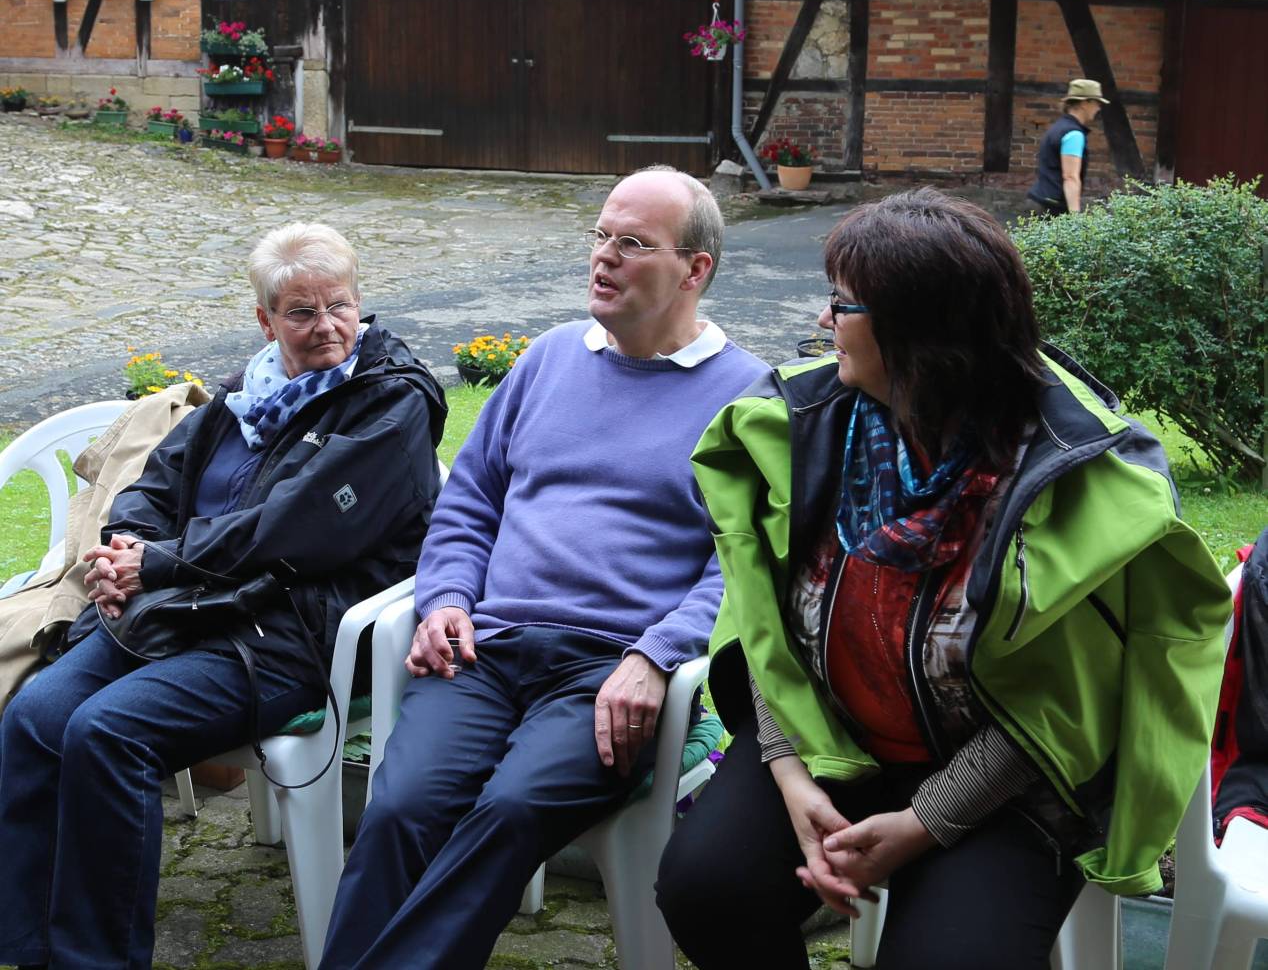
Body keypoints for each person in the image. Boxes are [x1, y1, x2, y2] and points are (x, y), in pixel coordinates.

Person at [656, 188, 1232, 969]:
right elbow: (767, 624)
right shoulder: (801, 429)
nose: (824, 323)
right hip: (831, 742)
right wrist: (793, 780)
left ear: (918, 334)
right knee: (706, 891)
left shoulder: (1066, 479)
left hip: (1007, 784)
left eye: (842, 305)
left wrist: (924, 823)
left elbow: (1064, 705)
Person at [320, 166, 767, 970]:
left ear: (695, 269)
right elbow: (470, 501)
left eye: (632, 244)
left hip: (609, 671)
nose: (603, 257)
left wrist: (656, 655)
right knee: (401, 807)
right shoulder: (549, 357)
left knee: (513, 807)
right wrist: (448, 598)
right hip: (485, 648)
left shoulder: (747, 399)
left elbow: (739, 569)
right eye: (600, 236)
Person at [0, 222, 446, 970]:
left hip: (289, 633)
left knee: (109, 734)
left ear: (359, 303)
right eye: (300, 313)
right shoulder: (248, 392)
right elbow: (156, 483)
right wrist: (122, 551)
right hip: (183, 612)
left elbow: (295, 531)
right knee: (37, 716)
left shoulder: (390, 404)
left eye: (339, 305)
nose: (326, 326)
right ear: (265, 321)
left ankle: (94, 960)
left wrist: (160, 565)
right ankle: (31, 946)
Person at [1026, 78, 1110, 215]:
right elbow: (1070, 177)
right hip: (1051, 207)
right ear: (1085, 103)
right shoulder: (1074, 134)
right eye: (1097, 102)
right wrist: (1075, 218)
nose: (1098, 108)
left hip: (1039, 200)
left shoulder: (1059, 127)